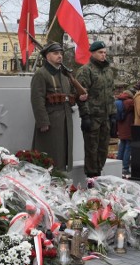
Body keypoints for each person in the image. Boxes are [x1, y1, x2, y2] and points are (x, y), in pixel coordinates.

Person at [30, 42, 86, 173]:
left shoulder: (64, 75)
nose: (59, 56)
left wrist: (78, 97)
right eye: (56, 53)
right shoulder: (41, 74)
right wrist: (43, 121)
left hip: (65, 119)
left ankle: (61, 178)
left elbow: (68, 96)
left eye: (61, 53)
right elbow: (37, 100)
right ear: (47, 56)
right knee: (50, 153)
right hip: (51, 120)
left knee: (62, 153)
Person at [76, 40, 117, 178]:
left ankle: (98, 174)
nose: (103, 55)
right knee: (91, 150)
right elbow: (81, 94)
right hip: (92, 117)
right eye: (100, 52)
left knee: (103, 149)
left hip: (105, 117)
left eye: (105, 52)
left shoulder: (108, 71)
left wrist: (113, 114)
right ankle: (91, 177)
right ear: (92, 53)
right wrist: (85, 115)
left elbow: (111, 94)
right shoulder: (85, 71)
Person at [114, 81, 135, 179]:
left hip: (121, 128)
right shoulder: (130, 102)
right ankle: (125, 167)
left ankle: (118, 165)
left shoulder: (119, 101)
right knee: (128, 148)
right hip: (128, 128)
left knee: (122, 146)